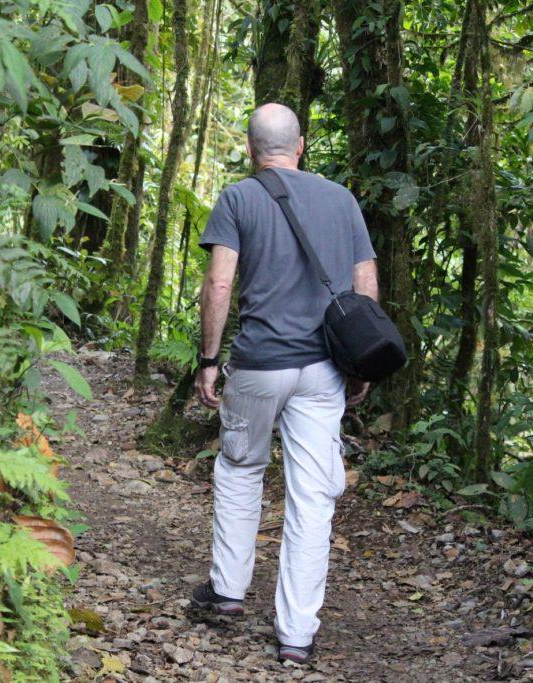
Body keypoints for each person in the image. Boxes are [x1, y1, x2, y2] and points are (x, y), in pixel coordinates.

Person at [189, 103, 378, 664]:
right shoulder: (342, 199)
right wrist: (360, 361)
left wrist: (208, 357)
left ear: (252, 149)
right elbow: (364, 281)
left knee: (242, 468)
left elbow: (219, 285)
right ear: (301, 146)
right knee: (312, 496)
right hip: (324, 370)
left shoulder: (239, 198)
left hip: (259, 365)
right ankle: (296, 634)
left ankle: (227, 590)